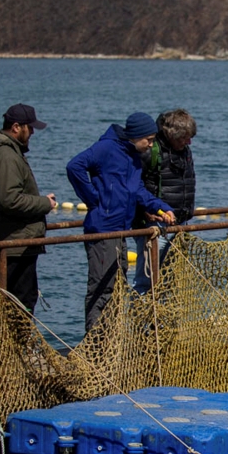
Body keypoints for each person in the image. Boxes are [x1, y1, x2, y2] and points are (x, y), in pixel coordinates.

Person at [66, 113, 176, 333]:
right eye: (149, 140)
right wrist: (92, 198)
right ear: (135, 136)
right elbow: (74, 166)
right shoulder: (105, 148)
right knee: (102, 289)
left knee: (117, 287)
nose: (151, 145)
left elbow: (137, 191)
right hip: (102, 229)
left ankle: (111, 340)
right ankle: (96, 345)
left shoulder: (134, 157)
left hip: (120, 230)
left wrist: (161, 208)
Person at [0, 104, 58, 315]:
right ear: (16, 127)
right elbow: (9, 199)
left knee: (22, 300)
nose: (31, 132)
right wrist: (44, 204)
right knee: (20, 304)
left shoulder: (8, 152)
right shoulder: (5, 156)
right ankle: (17, 348)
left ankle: (17, 347)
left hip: (17, 241)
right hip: (15, 243)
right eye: (29, 128)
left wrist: (41, 200)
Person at [133, 109, 197, 295]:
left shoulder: (185, 151)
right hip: (155, 225)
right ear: (171, 135)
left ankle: (164, 323)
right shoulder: (150, 152)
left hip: (179, 222)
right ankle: (141, 322)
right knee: (146, 280)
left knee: (172, 281)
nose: (189, 142)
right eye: (184, 138)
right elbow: (135, 185)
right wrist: (145, 211)